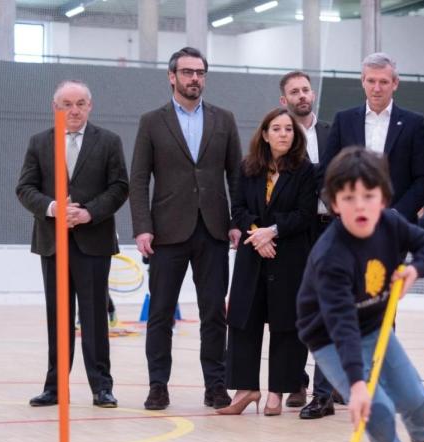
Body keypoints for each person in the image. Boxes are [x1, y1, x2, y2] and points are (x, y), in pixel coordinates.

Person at [296, 147, 424, 442]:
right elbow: (341, 324)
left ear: (383, 197)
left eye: (369, 196)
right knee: (376, 410)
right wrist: (357, 385)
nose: (360, 206)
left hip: (374, 325)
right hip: (332, 338)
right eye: (349, 198)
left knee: (414, 398)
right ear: (334, 204)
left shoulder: (391, 224)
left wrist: (416, 269)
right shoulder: (330, 256)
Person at [129, 47, 241, 411]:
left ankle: (215, 386)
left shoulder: (224, 119)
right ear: (171, 76)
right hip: (166, 233)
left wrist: (238, 222)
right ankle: (158, 386)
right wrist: (143, 228)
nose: (195, 78)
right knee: (160, 313)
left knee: (214, 313)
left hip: (213, 231)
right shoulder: (151, 121)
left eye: (201, 72)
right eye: (188, 72)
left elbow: (236, 176)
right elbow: (138, 179)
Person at [17, 80, 129, 409]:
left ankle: (102, 387)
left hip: (93, 242)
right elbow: (25, 188)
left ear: (90, 106)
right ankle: (54, 387)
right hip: (53, 243)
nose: (75, 110)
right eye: (67, 104)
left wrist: (88, 213)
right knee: (58, 317)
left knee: (95, 318)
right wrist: (55, 209)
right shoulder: (39, 143)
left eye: (81, 103)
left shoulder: (109, 141)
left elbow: (120, 187)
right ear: (56, 108)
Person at [219, 108, 317, 416]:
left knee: (286, 324)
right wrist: (256, 235)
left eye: (289, 129)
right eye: (277, 128)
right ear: (264, 134)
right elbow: (237, 208)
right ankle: (246, 389)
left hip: (289, 256)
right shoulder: (247, 167)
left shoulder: (305, 170)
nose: (284, 134)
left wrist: (271, 232)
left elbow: (305, 214)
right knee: (243, 321)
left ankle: (278, 390)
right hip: (253, 254)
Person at [277, 70, 342, 417]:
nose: (301, 95)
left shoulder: (334, 132)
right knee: (294, 311)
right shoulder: (278, 135)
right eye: (294, 91)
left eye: (305, 90)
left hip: (329, 228)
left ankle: (324, 390)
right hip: (293, 232)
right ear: (283, 99)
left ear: (312, 94)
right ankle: (296, 382)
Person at [322, 52, 424, 223]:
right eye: (371, 81)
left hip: (396, 226)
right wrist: (340, 209)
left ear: (395, 83)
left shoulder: (413, 124)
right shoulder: (343, 120)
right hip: (349, 224)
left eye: (383, 82)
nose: (377, 88)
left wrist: (397, 214)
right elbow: (325, 172)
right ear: (362, 81)